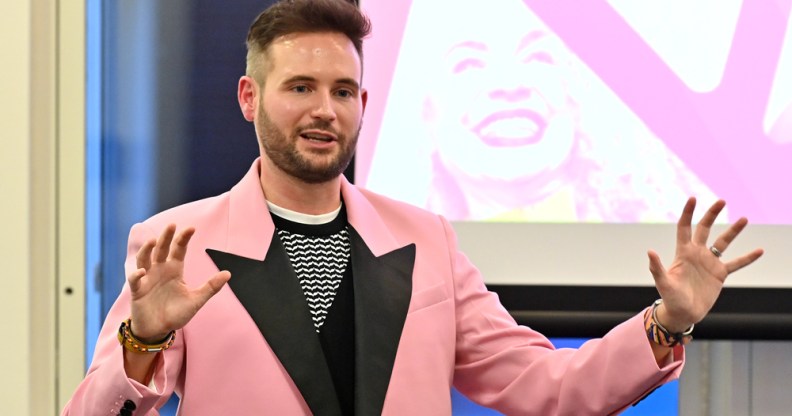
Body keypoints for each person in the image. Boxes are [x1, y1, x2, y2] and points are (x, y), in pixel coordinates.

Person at [62, 0, 763, 414]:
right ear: (250, 99)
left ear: (365, 104)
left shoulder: (425, 239)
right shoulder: (175, 241)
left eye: (342, 91)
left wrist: (666, 323)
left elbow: (545, 385)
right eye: (299, 87)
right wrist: (144, 343)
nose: (323, 110)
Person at [364, 0, 720, 223]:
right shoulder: (396, 258)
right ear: (427, 111)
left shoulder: (659, 231)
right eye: (469, 63)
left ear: (577, 98)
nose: (509, 84)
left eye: (537, 57)